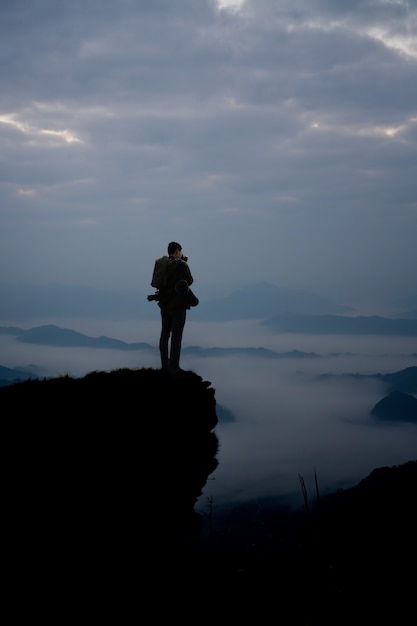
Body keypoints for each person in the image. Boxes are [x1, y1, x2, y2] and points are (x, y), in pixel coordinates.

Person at [153, 241, 195, 378]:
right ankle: (174, 368)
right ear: (177, 251)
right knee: (176, 337)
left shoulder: (162, 264)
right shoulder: (181, 264)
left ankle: (165, 365)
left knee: (165, 334)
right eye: (181, 251)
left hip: (164, 305)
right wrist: (184, 263)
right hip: (178, 306)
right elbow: (189, 281)